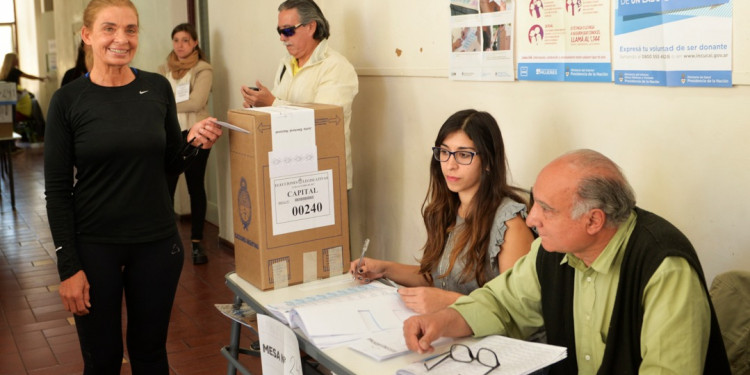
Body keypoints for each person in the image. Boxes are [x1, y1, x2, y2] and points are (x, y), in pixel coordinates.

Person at [403, 149, 731, 374]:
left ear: (593, 221)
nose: (531, 218)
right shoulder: (552, 250)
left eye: (546, 209)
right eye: (534, 202)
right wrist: (444, 321)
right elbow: (502, 303)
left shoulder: (663, 267)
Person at [44, 0, 223, 373]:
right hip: (95, 247)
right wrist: (68, 267)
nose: (121, 39)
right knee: (102, 358)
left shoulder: (156, 88)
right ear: (87, 35)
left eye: (130, 29)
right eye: (109, 28)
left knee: (151, 354)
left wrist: (194, 142)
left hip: (156, 244)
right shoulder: (67, 100)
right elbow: (57, 190)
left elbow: (171, 162)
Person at [349, 110, 535, 314]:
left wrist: (449, 302)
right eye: (444, 152)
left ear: (488, 161)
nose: (450, 165)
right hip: (452, 329)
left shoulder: (510, 223)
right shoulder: (445, 208)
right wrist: (384, 269)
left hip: (493, 340)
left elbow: (517, 310)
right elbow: (438, 279)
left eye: (464, 155)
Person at [240, 0, 358, 189]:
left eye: (287, 30)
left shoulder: (335, 66)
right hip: (288, 172)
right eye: (279, 31)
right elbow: (279, 111)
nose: (282, 38)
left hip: (324, 176)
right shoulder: (285, 64)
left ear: (311, 26)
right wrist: (260, 108)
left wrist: (273, 104)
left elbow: (325, 123)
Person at [158, 23, 213, 265]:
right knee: (166, 188)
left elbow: (196, 101)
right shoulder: (164, 69)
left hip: (196, 134)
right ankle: (167, 241)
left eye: (185, 40)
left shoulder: (203, 69)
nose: (180, 45)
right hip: (169, 136)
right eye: (176, 40)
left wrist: (165, 107)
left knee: (195, 187)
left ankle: (197, 244)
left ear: (194, 43)